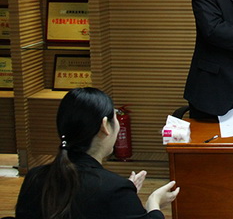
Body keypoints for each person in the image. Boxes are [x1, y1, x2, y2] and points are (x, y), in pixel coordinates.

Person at [15, 87, 179, 219]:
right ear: (104, 126)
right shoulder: (114, 190)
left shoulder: (34, 178)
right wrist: (154, 204)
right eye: (115, 117)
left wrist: (125, 196)